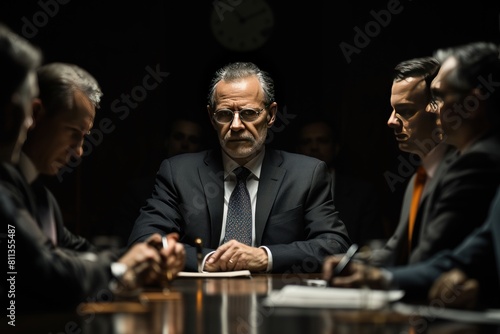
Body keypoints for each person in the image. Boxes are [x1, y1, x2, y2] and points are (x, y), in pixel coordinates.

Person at [0, 56, 185, 313]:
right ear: (36, 115)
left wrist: (146, 256)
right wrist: (121, 267)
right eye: (74, 133)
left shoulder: (41, 196)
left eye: (84, 137)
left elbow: (78, 252)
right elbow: (48, 269)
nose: (79, 152)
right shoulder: (6, 187)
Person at [322, 41, 500, 309]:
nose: (433, 108)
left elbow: (434, 258)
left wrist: (381, 277)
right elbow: (457, 260)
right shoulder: (422, 173)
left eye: (438, 97)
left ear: (473, 102)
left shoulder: (477, 160)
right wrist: (372, 272)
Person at [128, 61, 351, 273]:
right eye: (225, 114)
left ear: (271, 115)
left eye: (248, 113)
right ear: (211, 117)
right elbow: (144, 241)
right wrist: (206, 260)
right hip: (198, 299)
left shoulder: (306, 174)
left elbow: (334, 245)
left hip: (274, 301)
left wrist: (264, 257)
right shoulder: (178, 173)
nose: (236, 125)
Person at [369, 57, 458, 266]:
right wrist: (350, 264)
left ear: (438, 109)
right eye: (392, 110)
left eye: (406, 111)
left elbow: (435, 259)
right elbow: (395, 250)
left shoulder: (461, 170)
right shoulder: (418, 177)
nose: (391, 121)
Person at [104, 115, 206, 246]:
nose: (185, 144)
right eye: (178, 137)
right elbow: (124, 241)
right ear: (166, 141)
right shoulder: (138, 191)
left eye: (193, 140)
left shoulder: (207, 190)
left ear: (200, 148)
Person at [295, 114, 385, 246]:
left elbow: (370, 246)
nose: (314, 147)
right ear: (297, 150)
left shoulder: (362, 193)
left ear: (336, 147)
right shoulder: (284, 189)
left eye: (322, 140)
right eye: (306, 142)